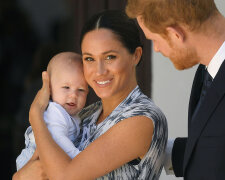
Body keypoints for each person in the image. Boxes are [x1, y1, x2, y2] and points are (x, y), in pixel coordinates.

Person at [12, 10, 168, 180]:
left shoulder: (142, 118)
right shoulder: (85, 114)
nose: (99, 71)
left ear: (136, 56)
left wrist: (36, 115)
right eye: (89, 59)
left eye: (109, 57)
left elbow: (65, 176)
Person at [126, 0, 225, 179]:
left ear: (175, 34)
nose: (156, 49)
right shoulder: (207, 70)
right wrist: (158, 150)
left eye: (154, 40)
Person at [16, 52, 89, 170]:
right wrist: (79, 158)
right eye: (66, 87)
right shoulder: (55, 112)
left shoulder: (73, 115)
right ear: (49, 88)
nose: (73, 95)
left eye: (81, 90)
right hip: (34, 165)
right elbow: (59, 139)